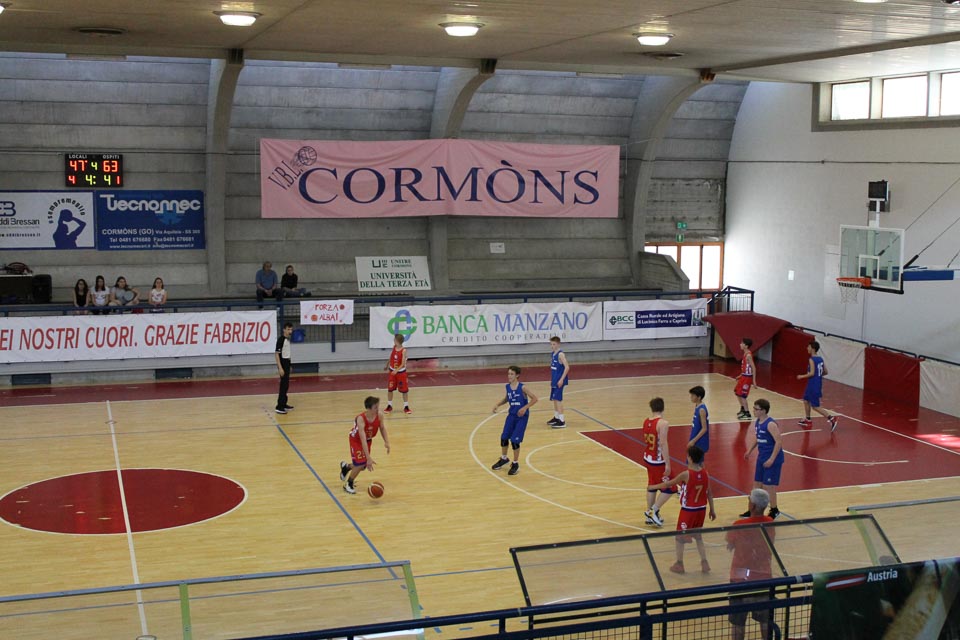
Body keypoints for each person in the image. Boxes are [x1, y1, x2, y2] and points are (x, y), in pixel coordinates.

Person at [648, 445, 716, 574]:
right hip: (701, 509)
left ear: (690, 458)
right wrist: (712, 510)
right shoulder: (705, 473)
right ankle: (704, 562)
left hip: (688, 510)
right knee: (698, 536)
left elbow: (669, 484)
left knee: (679, 538)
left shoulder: (686, 474)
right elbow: (710, 493)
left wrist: (653, 487)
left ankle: (679, 564)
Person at [726, 488, 776, 640]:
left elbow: (730, 545)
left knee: (738, 622)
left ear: (752, 506)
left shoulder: (738, 524)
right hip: (763, 576)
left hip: (740, 579)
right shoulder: (770, 523)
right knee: (765, 621)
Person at [491, 365, 538, 476]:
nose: (509, 376)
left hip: (521, 417)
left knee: (515, 441)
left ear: (517, 375)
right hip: (511, 416)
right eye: (508, 374)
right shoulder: (507, 387)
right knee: (504, 438)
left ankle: (515, 463)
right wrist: (498, 404)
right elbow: (507, 398)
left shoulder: (522, 387)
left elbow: (535, 399)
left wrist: (524, 408)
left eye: (512, 374)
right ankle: (504, 458)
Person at [339, 396, 391, 494]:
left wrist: (386, 442)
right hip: (356, 440)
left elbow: (382, 428)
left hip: (368, 440)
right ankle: (349, 484)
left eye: (378, 406)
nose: (378, 409)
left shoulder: (379, 415)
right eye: (375, 407)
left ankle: (346, 467)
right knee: (361, 463)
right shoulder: (361, 419)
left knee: (362, 466)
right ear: (368, 409)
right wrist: (368, 458)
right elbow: (362, 440)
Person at [742, 399, 783, 519]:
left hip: (772, 459)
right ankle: (751, 509)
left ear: (763, 411)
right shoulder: (758, 422)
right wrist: (750, 450)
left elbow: (779, 442)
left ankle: (774, 510)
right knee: (756, 485)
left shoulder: (770, 424)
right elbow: (758, 437)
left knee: (768, 486)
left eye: (756, 409)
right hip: (762, 457)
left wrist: (771, 459)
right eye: (754, 408)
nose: (754, 411)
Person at [642, 397, 674, 527]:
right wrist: (668, 463)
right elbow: (663, 443)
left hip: (647, 457)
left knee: (652, 485)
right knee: (671, 487)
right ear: (663, 407)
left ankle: (649, 514)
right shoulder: (663, 423)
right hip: (657, 461)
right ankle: (653, 511)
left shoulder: (646, 421)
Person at [797, 341, 839, 432]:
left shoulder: (811, 359)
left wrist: (802, 376)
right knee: (806, 400)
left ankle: (832, 419)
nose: (807, 348)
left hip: (813, 384)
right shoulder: (820, 359)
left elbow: (812, 373)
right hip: (816, 383)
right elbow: (826, 372)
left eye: (808, 347)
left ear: (812, 348)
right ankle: (808, 419)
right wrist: (818, 376)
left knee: (815, 406)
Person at [384, 333, 411, 414]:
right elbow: (391, 357)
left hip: (401, 373)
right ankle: (389, 405)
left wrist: (396, 370)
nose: (393, 340)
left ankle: (406, 406)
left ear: (397, 341)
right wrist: (387, 364)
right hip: (392, 371)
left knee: (404, 390)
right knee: (390, 389)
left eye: (394, 339)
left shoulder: (404, 350)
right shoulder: (394, 347)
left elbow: (403, 363)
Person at [547, 336, 571, 428]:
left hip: (559, 380)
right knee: (554, 399)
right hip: (554, 379)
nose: (552, 346)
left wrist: (561, 379)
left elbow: (567, 367)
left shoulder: (561, 354)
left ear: (558, 344)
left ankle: (562, 421)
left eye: (554, 344)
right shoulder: (553, 354)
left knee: (558, 399)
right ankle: (556, 417)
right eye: (551, 344)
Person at [274, 322, 294, 414]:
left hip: (287, 363)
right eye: (288, 329)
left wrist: (289, 365)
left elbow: (287, 354)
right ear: (284, 330)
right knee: (283, 385)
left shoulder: (287, 340)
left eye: (291, 329)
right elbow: (277, 354)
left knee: (286, 385)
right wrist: (280, 368)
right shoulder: (281, 340)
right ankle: (279, 406)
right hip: (282, 364)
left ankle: (284, 403)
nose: (290, 331)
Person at [735, 338, 755, 420]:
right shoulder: (745, 354)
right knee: (737, 392)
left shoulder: (748, 355)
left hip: (747, 378)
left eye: (742, 343)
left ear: (746, 346)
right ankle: (743, 409)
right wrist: (740, 375)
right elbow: (746, 368)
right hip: (743, 376)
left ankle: (747, 413)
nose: (740, 344)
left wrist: (754, 381)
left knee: (742, 395)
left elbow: (753, 368)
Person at [688, 385, 710, 459]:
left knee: (695, 462)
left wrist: (693, 441)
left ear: (699, 397)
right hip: (695, 436)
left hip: (699, 440)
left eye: (693, 395)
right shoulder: (697, 406)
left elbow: (704, 428)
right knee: (698, 462)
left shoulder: (701, 410)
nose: (691, 397)